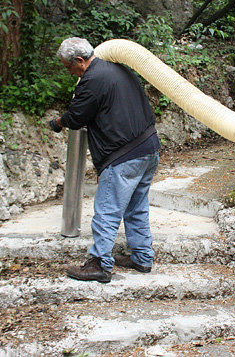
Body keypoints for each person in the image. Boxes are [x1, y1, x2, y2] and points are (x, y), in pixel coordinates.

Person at [49, 37, 160, 283]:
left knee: (107, 210)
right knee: (136, 207)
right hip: (149, 148)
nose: (70, 73)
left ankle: (100, 263)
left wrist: (57, 123)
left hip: (124, 155)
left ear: (79, 60)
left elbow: (77, 117)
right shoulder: (118, 69)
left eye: (69, 67)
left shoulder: (92, 79)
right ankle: (142, 258)